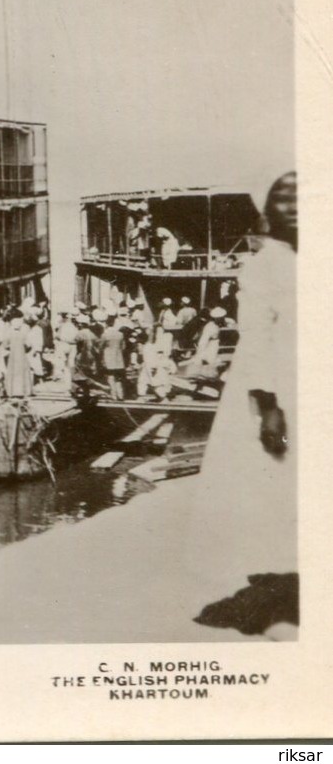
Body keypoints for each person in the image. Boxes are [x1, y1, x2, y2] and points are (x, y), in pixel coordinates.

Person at [186, 170, 296, 637]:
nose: (292, 206)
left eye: (301, 197)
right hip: (278, 385)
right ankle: (272, 586)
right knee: (271, 482)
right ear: (270, 209)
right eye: (283, 198)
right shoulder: (265, 262)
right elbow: (256, 338)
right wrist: (269, 404)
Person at [4, 311, 35, 399]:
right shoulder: (24, 330)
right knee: (21, 372)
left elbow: (5, 344)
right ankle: (21, 391)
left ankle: (14, 391)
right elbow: (29, 344)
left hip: (14, 355)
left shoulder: (9, 330)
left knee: (14, 372)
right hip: (19, 355)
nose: (18, 323)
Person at [190, 306, 226, 376]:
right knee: (211, 361)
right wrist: (200, 351)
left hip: (215, 345)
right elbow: (203, 340)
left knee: (213, 361)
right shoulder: (210, 326)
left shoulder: (216, 325)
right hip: (210, 346)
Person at [100, 316, 128, 399]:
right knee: (118, 378)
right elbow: (123, 347)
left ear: (107, 323)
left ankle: (113, 395)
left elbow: (100, 347)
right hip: (118, 358)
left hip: (108, 358)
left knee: (110, 377)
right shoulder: (120, 334)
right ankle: (120, 394)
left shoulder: (105, 334)